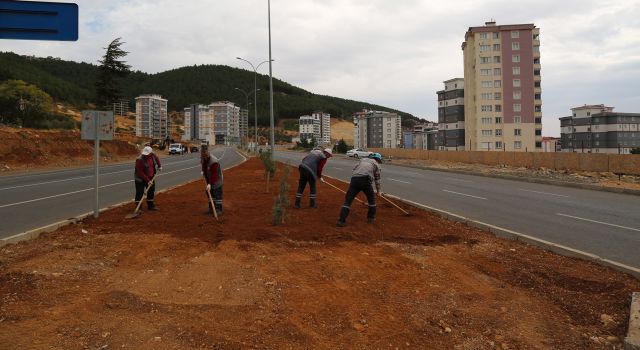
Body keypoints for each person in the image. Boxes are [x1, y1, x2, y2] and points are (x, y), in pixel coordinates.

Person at [336, 152, 382, 227]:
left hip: (354, 179)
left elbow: (354, 169)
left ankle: (341, 221)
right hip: (365, 180)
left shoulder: (362, 160)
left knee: (348, 201)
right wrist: (378, 191)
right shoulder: (376, 165)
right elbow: (377, 179)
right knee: (371, 200)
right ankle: (371, 218)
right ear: (378, 159)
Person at [134, 146, 162, 211]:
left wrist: (159, 166)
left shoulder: (153, 155)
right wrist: (147, 180)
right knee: (139, 192)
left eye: (148, 154)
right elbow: (140, 172)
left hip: (151, 176)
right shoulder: (139, 159)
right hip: (140, 178)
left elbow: (157, 159)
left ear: (150, 153)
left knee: (151, 191)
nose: (146, 155)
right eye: (145, 154)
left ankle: (151, 206)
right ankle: (138, 207)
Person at [201, 147, 223, 215]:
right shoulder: (203, 158)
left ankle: (218, 210)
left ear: (208, 153)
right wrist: (203, 172)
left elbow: (214, 175)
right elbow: (203, 165)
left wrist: (210, 184)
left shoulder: (214, 162)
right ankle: (211, 209)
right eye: (203, 155)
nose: (204, 157)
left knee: (217, 195)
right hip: (208, 179)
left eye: (205, 155)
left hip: (217, 180)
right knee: (210, 194)